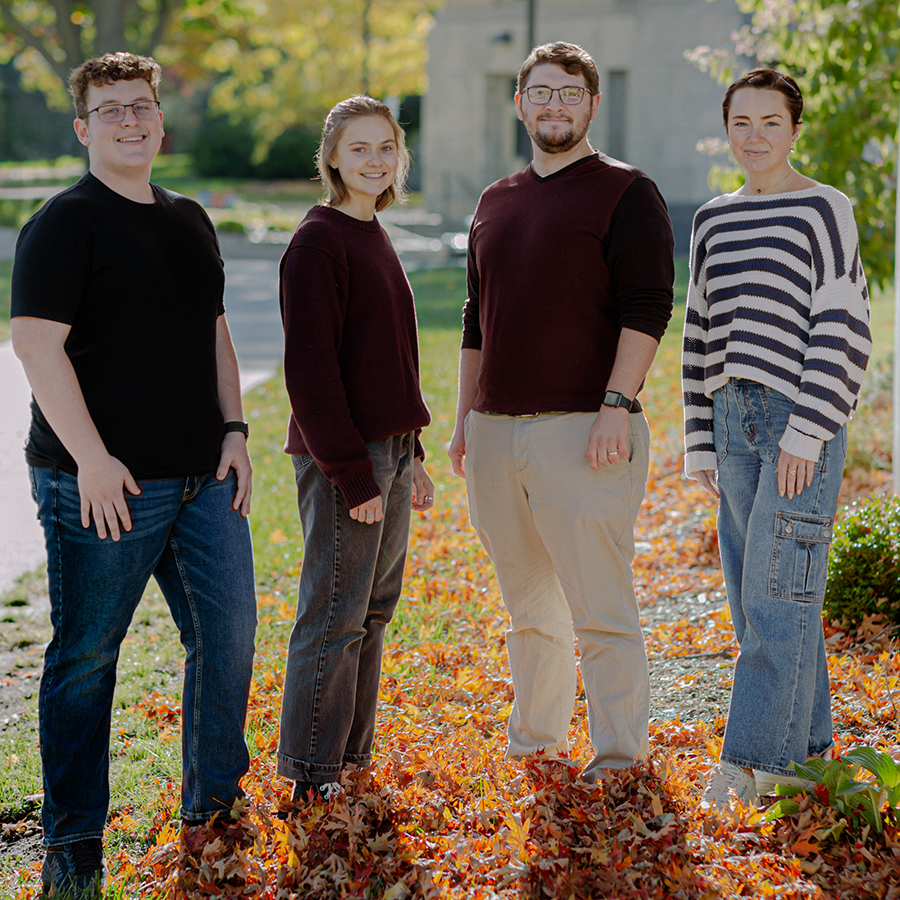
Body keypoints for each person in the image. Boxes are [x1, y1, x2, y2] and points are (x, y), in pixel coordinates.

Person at [10, 52, 258, 898]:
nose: (130, 120)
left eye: (142, 106)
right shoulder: (63, 223)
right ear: (83, 128)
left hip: (202, 482)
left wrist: (235, 431)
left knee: (225, 645)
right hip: (102, 488)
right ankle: (74, 848)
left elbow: (215, 333)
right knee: (86, 659)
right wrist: (93, 460)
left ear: (160, 120)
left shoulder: (190, 217)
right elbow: (36, 348)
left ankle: (215, 816)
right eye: (111, 109)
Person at [448, 42, 674, 783]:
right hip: (495, 433)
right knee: (528, 608)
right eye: (541, 93)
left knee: (600, 607)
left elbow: (648, 307)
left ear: (591, 104)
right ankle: (537, 748)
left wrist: (618, 402)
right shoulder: (495, 199)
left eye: (569, 93)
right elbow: (478, 320)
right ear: (520, 103)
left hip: (585, 430)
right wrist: (462, 421)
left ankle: (619, 759)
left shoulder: (625, 191)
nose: (554, 106)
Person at [682, 69, 871, 808]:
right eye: (741, 123)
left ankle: (754, 762)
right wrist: (701, 440)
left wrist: (807, 431)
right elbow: (699, 334)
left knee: (773, 596)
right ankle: (811, 749)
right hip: (731, 422)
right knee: (762, 598)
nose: (754, 136)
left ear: (796, 129)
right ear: (726, 129)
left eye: (770, 122)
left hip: (799, 421)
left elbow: (844, 325)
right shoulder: (711, 220)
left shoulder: (825, 210)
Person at [277, 96, 434, 802]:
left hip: (391, 451)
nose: (375, 159)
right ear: (332, 157)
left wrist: (415, 457)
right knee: (334, 615)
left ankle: (349, 756)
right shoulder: (319, 241)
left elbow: (387, 357)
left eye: (386, 147)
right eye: (359, 147)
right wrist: (352, 475)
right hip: (349, 458)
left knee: (372, 612)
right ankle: (312, 775)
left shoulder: (373, 231)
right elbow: (311, 373)